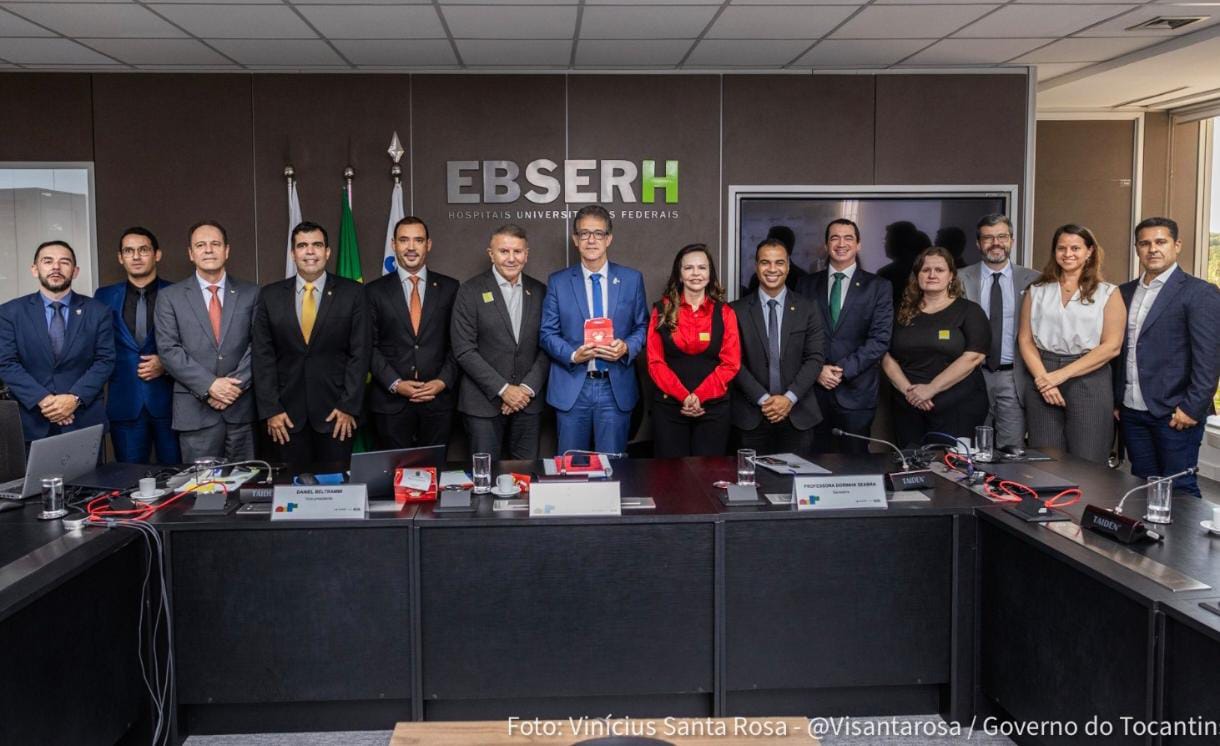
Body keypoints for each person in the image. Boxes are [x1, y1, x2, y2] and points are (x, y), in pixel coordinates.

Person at [252, 221, 370, 474]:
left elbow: (360, 354)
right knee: (291, 495)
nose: (310, 252)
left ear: (327, 252)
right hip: (285, 417)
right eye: (302, 246)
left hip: (337, 415)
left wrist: (348, 406)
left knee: (337, 491)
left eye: (316, 245)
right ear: (293, 253)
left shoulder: (353, 293)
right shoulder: (269, 296)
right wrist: (271, 409)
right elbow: (263, 357)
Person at [1115, 217, 1220, 497]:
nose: (1153, 249)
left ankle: (1184, 543)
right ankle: (1149, 541)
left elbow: (1209, 358)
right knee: (1141, 486)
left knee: (1180, 489)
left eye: (1160, 242)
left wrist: (1192, 408)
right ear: (1137, 248)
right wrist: (1117, 400)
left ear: (1177, 245)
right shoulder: (1123, 293)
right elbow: (1120, 349)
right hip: (1132, 411)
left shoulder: (1200, 293)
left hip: (1176, 413)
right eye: (1145, 243)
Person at [539, 205, 649, 455]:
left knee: (614, 468)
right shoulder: (558, 281)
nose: (591, 240)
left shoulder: (632, 279)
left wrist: (627, 346)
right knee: (570, 469)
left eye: (598, 233)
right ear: (575, 239)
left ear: (609, 238)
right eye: (584, 233)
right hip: (572, 386)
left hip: (615, 386)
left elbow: (643, 325)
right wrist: (573, 355)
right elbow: (547, 333)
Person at [1017, 224, 1125, 464]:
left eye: (1075, 248)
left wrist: (1059, 376)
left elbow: (1112, 346)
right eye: (1061, 248)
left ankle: (1087, 502)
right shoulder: (1037, 290)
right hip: (1042, 374)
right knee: (1045, 459)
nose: (1068, 254)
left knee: (1088, 460)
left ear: (1090, 252)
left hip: (1088, 377)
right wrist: (1044, 380)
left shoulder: (1108, 293)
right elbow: (1025, 339)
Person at [155, 221, 259, 463]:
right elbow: (169, 350)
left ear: (227, 250)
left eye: (215, 244)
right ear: (191, 254)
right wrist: (210, 385)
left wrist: (233, 388)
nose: (209, 250)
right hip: (195, 412)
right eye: (201, 245)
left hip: (240, 408)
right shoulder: (170, 297)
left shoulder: (251, 293)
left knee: (245, 486)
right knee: (202, 491)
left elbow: (259, 346)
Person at [0, 240, 115, 446]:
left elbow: (105, 361)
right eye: (48, 261)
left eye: (64, 262)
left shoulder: (98, 312)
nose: (56, 267)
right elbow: (6, 363)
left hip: (83, 420)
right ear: (35, 269)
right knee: (35, 479)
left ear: (75, 271)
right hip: (31, 421)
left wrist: (73, 399)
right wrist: (46, 401)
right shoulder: (10, 312)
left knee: (89, 480)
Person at [451, 224, 549, 459]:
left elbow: (548, 345)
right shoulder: (470, 291)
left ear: (527, 254)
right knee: (485, 479)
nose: (511, 258)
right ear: (491, 254)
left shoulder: (540, 291)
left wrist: (524, 390)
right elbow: (464, 350)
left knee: (526, 478)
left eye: (517, 251)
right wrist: (504, 390)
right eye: (504, 251)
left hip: (528, 403)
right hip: (482, 405)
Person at [796, 218, 893, 454]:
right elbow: (796, 337)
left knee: (856, 465)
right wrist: (817, 369)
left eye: (848, 238)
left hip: (857, 392)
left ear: (858, 245)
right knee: (812, 464)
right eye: (834, 238)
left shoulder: (878, 286)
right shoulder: (805, 285)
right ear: (826, 245)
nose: (841, 243)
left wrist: (841, 370)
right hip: (813, 393)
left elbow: (880, 339)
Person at [882, 246, 990, 448]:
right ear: (917, 276)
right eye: (925, 270)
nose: (932, 275)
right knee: (911, 466)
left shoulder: (969, 311)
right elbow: (886, 356)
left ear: (951, 276)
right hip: (909, 405)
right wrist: (911, 393)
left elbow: (974, 357)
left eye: (939, 270)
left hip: (957, 406)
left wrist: (931, 389)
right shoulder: (899, 311)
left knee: (953, 470)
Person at [366, 216, 458, 451]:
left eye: (418, 240)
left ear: (428, 244)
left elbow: (459, 344)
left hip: (437, 401)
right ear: (393, 244)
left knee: (433, 476)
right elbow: (368, 346)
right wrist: (395, 383)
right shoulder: (372, 292)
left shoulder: (451, 288)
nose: (411, 247)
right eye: (404, 240)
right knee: (391, 479)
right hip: (390, 403)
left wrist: (442, 381)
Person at [645, 244, 740, 458]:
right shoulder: (661, 310)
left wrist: (699, 396)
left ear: (710, 274)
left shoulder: (725, 313)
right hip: (669, 408)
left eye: (702, 268)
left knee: (709, 477)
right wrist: (684, 396)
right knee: (670, 478)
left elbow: (731, 363)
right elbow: (655, 362)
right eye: (688, 268)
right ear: (679, 274)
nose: (695, 274)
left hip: (713, 410)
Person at [94, 227, 179, 464]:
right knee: (129, 482)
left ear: (157, 255)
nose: (136, 256)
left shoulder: (178, 293)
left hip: (170, 402)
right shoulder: (103, 296)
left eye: (143, 250)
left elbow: (194, 342)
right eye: (129, 251)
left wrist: (167, 363)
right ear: (120, 257)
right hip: (125, 401)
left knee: (177, 480)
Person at [731, 238, 824, 455]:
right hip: (751, 415)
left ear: (789, 266)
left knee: (794, 484)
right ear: (756, 266)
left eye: (779, 263)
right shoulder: (736, 310)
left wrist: (788, 398)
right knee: (752, 484)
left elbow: (815, 358)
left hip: (798, 413)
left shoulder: (807, 308)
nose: (772, 269)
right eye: (765, 262)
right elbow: (733, 361)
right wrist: (765, 400)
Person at [959, 214, 1040, 451]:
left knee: (1011, 450)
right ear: (978, 243)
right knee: (969, 448)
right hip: (970, 376)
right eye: (988, 237)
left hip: (1012, 377)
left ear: (1012, 240)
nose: (996, 243)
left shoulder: (1034, 280)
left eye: (1002, 236)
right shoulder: (959, 278)